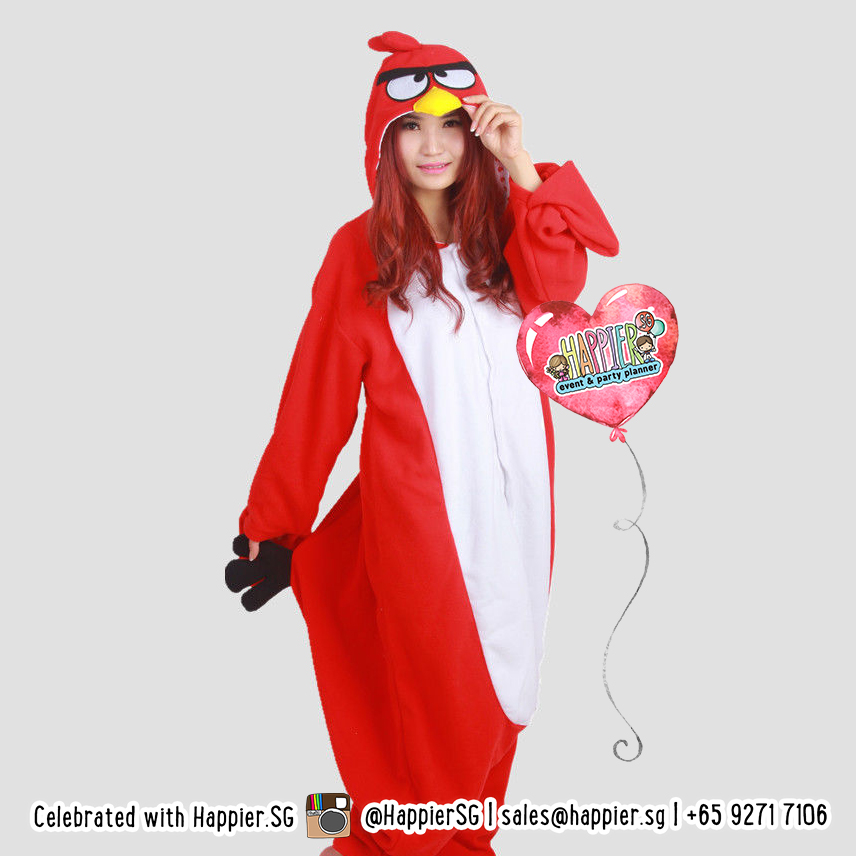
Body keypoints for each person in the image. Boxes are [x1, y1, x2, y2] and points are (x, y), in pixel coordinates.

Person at [229, 31, 619, 856]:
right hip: (419, 524)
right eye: (410, 126)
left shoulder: (511, 229)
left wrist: (521, 168)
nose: (433, 145)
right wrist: (275, 523)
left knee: (506, 698)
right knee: (440, 713)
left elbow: (560, 305)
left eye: (451, 123)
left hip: (523, 513)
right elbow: (315, 397)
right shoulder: (360, 251)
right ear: (384, 140)